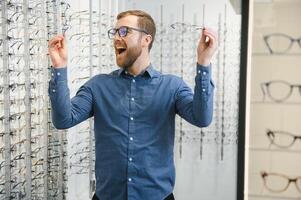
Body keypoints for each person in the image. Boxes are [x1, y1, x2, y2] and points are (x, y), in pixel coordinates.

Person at [48, 9, 217, 200]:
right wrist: (59, 67)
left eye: (124, 31)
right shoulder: (98, 86)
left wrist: (204, 62)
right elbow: (63, 120)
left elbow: (202, 118)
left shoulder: (172, 87)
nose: (116, 39)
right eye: (115, 32)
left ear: (146, 39)